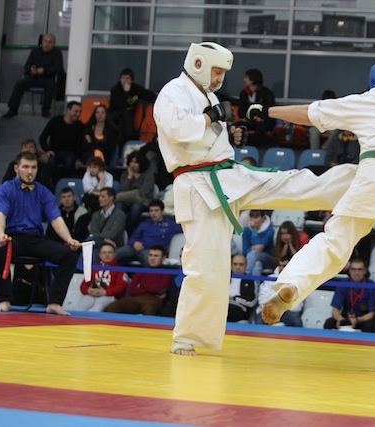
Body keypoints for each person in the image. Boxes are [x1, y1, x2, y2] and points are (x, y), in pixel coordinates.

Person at [152, 41, 356, 356]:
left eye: (223, 73)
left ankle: (356, 180)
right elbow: (178, 130)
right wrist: (211, 118)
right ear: (198, 64)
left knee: (286, 183)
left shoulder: (208, 96)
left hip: (226, 175)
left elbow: (208, 134)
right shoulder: (172, 92)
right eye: (216, 71)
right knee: (206, 265)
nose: (219, 78)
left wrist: (229, 135)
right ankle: (187, 337)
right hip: (197, 184)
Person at [256, 58, 375, 369]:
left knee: (334, 242)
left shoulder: (367, 99)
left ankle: (291, 284)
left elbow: (311, 113)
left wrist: (267, 111)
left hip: (373, 176)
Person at [0, 151, 80, 315]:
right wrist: (1, 235)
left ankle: (54, 303)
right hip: (12, 239)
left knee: (70, 254)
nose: (30, 171)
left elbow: (56, 219)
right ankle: (5, 300)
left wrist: (69, 239)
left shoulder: (44, 192)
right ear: (16, 168)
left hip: (36, 240)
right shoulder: (4, 189)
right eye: (25, 167)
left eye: (33, 167)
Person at [2, 33, 64, 119]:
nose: (46, 44)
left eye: (50, 42)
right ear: (42, 41)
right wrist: (31, 69)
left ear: (54, 43)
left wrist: (44, 70)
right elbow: (26, 66)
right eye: (45, 41)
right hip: (34, 77)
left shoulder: (57, 53)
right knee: (20, 83)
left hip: (48, 77)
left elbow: (58, 68)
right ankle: (13, 109)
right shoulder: (35, 51)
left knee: (50, 84)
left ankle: (45, 110)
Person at [105, 245, 171, 315]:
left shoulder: (166, 272)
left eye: (156, 256)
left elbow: (160, 289)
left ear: (163, 258)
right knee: (113, 307)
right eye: (150, 255)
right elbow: (132, 290)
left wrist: (141, 285)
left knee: (149, 307)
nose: (152, 258)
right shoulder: (141, 271)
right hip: (135, 298)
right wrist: (152, 290)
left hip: (153, 299)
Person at [115, 199, 182, 266]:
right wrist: (135, 243)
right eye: (151, 211)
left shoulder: (171, 225)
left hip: (152, 252)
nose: (153, 213)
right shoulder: (144, 224)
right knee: (115, 253)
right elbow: (132, 238)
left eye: (156, 210)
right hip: (135, 248)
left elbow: (186, 228)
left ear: (162, 211)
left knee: (151, 259)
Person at [323, 258, 375, 332]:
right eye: (354, 269)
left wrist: (357, 320)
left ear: (365, 271)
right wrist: (340, 320)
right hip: (345, 317)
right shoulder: (343, 284)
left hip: (362, 319)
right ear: (350, 271)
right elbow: (335, 310)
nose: (357, 272)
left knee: (370, 326)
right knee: (329, 323)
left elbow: (372, 313)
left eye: (360, 269)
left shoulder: (372, 286)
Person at [38, 101, 84, 185]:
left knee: (69, 161)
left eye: (80, 112)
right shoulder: (55, 121)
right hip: (54, 152)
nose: (78, 114)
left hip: (70, 153)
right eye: (76, 111)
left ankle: (63, 183)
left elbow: (80, 145)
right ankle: (55, 184)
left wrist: (78, 159)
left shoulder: (79, 125)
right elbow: (42, 137)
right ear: (68, 110)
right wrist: (47, 150)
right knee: (51, 161)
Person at [74, 242, 129, 312]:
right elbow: (83, 285)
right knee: (81, 306)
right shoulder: (94, 268)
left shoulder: (120, 270)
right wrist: (88, 290)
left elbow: (121, 287)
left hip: (109, 296)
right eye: (104, 252)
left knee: (98, 307)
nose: (107, 254)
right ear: (99, 255)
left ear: (114, 254)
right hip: (91, 295)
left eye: (110, 252)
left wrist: (106, 292)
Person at [109, 67, 157, 141]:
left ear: (132, 80)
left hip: (126, 118)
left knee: (121, 122)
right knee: (125, 113)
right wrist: (126, 93)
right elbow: (120, 106)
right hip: (114, 114)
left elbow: (149, 95)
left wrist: (160, 100)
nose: (125, 80)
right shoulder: (115, 90)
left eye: (127, 78)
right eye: (123, 78)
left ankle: (123, 144)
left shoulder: (136, 89)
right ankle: (132, 136)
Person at [116, 150, 156, 235]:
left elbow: (144, 191)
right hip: (127, 201)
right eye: (131, 162)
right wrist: (130, 177)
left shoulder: (148, 174)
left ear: (141, 163)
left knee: (136, 207)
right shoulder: (125, 173)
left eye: (136, 162)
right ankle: (118, 231)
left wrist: (137, 179)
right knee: (119, 205)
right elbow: (122, 189)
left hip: (143, 201)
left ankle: (128, 232)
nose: (133, 165)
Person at [255, 255, 303, 326]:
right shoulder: (270, 278)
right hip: (269, 310)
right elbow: (262, 298)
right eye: (280, 265)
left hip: (287, 311)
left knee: (297, 322)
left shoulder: (297, 280)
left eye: (284, 266)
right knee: (259, 321)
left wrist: (282, 309)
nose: (281, 268)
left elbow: (298, 303)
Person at [237, 68, 276, 146]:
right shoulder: (243, 93)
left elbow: (271, 108)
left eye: (246, 77)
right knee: (236, 126)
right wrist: (248, 117)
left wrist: (262, 117)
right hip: (249, 120)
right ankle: (238, 147)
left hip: (265, 121)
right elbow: (241, 111)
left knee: (260, 128)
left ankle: (254, 147)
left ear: (252, 80)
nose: (244, 80)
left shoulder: (266, 93)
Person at [77, 104, 120, 168]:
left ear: (106, 114)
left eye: (102, 112)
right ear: (94, 114)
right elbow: (84, 146)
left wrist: (92, 144)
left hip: (104, 156)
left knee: (97, 153)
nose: (100, 115)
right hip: (88, 154)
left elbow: (109, 148)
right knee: (94, 154)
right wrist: (98, 147)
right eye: (97, 112)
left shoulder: (112, 130)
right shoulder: (88, 128)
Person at [242, 209, 274, 277]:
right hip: (251, 259)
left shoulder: (270, 230)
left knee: (253, 253)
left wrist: (254, 230)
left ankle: (245, 276)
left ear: (263, 218)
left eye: (256, 217)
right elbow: (244, 251)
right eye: (252, 217)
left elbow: (260, 247)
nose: (254, 219)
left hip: (267, 259)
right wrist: (253, 248)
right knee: (257, 265)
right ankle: (255, 284)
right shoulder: (246, 230)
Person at [227, 254, 258, 322]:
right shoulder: (224, 278)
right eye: (235, 264)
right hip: (222, 306)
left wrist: (234, 298)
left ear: (246, 266)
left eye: (241, 265)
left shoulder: (251, 281)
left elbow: (252, 302)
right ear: (231, 265)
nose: (238, 267)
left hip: (240, 309)